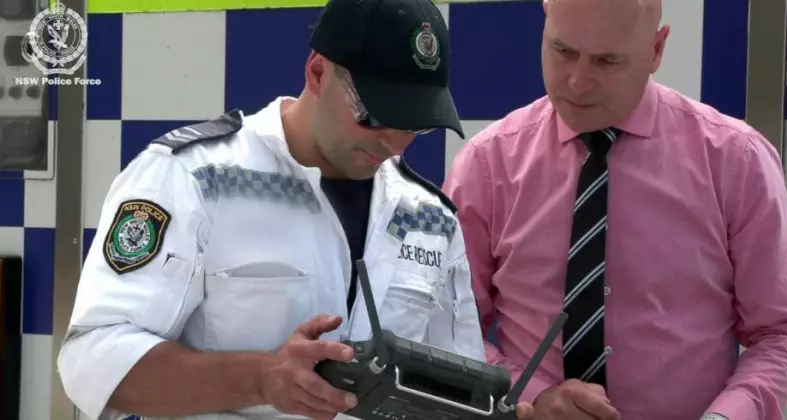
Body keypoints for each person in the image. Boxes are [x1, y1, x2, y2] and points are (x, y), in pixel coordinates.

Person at [56, 1, 524, 419]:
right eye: (377, 115)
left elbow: (463, 393)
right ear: (316, 73)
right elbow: (93, 358)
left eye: (415, 124)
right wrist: (260, 378)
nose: (393, 142)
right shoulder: (193, 178)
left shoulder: (431, 221)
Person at [442, 0, 787, 419]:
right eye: (563, 51)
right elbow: (445, 325)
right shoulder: (488, 166)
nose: (577, 82)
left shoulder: (735, 161)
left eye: (607, 61)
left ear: (656, 49)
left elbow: (783, 332)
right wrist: (530, 395)